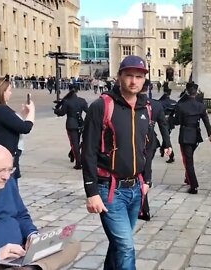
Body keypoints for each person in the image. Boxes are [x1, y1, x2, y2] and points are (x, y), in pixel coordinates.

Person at [82, 55, 170, 269]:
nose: (134, 81)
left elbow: (147, 147)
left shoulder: (146, 108)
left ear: (144, 80)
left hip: (136, 188)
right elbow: (88, 151)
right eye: (129, 75)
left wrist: (146, 180)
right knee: (126, 247)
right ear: (119, 76)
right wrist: (91, 191)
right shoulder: (101, 106)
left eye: (139, 77)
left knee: (119, 244)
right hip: (109, 190)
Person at [0, 143, 80, 270]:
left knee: (69, 242)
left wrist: (32, 235)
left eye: (10, 169)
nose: (6, 176)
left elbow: (21, 214)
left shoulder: (7, 183)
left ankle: (31, 267)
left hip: (19, 251)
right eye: (0, 171)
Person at [0, 78, 35, 186]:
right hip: (4, 159)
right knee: (8, 192)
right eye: (8, 90)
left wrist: (23, 114)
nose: (10, 93)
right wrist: (32, 111)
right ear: (1, 92)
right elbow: (25, 128)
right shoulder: (0, 109)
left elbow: (10, 123)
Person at [174, 83, 211, 194]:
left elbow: (177, 121)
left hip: (185, 135)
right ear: (196, 93)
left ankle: (194, 185)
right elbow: (206, 120)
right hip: (196, 134)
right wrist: (210, 134)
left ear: (186, 91)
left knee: (188, 161)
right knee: (189, 158)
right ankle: (188, 178)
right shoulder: (200, 106)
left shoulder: (181, 105)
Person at [54, 86, 88, 169]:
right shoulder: (82, 100)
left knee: (74, 143)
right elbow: (88, 111)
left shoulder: (67, 101)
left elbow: (62, 113)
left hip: (71, 124)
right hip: (80, 124)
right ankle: (72, 154)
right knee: (77, 142)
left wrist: (55, 110)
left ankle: (78, 162)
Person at [158, 86, 178, 163]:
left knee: (166, 138)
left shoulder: (161, 102)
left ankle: (171, 156)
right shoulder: (174, 102)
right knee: (166, 136)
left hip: (163, 121)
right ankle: (162, 150)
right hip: (171, 121)